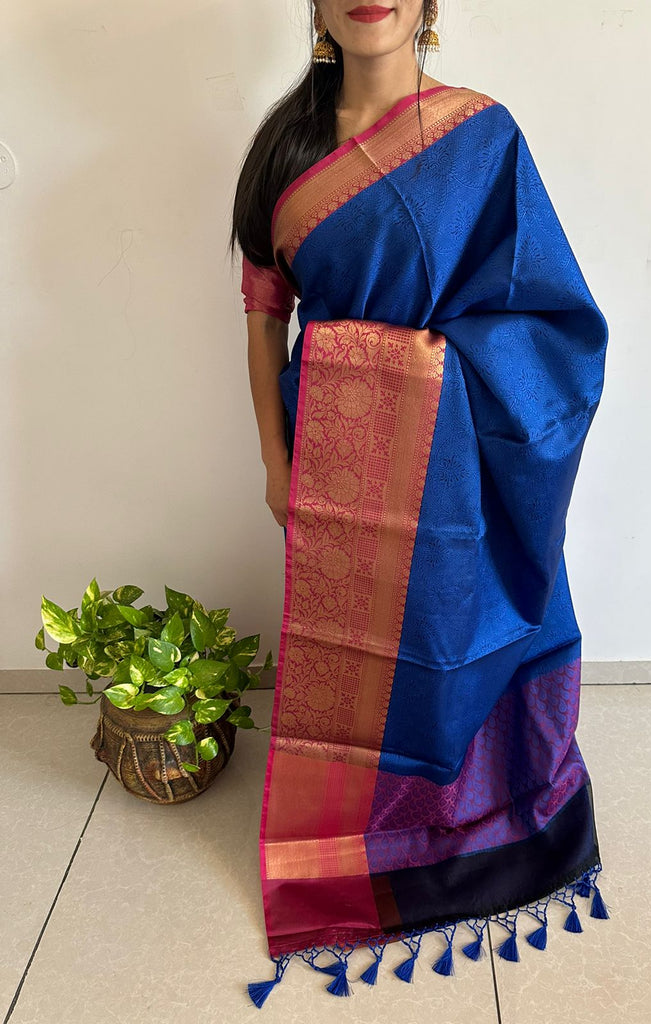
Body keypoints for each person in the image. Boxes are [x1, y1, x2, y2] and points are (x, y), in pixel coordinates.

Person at [229, 0, 611, 1006]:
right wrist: (273, 455)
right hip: (341, 462)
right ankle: (359, 841)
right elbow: (264, 320)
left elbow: (550, 318)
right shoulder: (284, 153)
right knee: (358, 652)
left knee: (453, 628)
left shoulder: (482, 137)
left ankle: (485, 822)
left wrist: (427, 373)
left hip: (459, 462)